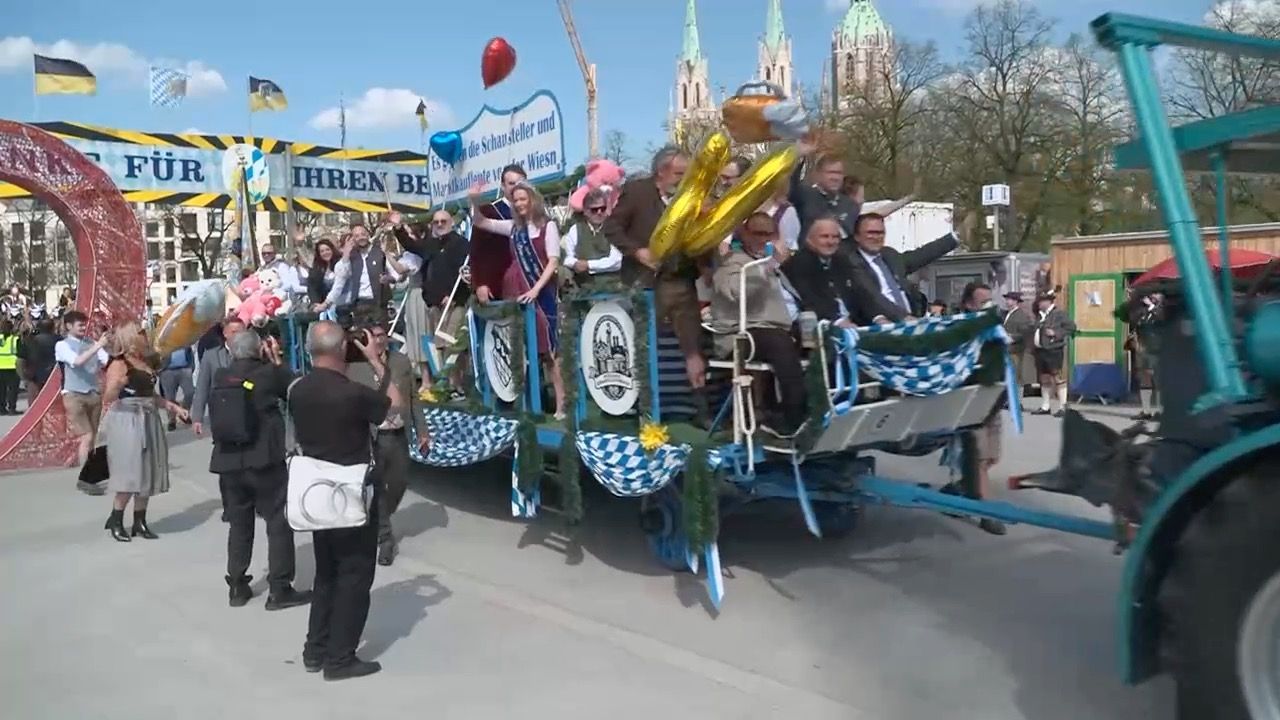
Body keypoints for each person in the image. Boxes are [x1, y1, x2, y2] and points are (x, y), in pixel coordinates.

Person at [290, 321, 403, 681]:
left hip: (317, 494)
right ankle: (339, 659)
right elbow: (395, 408)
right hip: (351, 494)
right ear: (342, 350)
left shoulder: (298, 390)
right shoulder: (353, 393)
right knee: (354, 576)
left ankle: (315, 649)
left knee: (327, 573)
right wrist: (375, 360)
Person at [605, 147, 714, 425]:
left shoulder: (692, 195)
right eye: (678, 174)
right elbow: (612, 228)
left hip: (682, 281)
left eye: (686, 174)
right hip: (646, 282)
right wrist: (638, 252)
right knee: (645, 345)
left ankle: (701, 410)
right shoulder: (638, 191)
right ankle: (644, 409)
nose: (683, 179)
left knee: (693, 346)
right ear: (661, 172)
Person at [210, 330, 312, 610]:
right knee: (278, 520)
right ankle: (279, 588)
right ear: (259, 349)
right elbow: (297, 389)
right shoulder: (270, 374)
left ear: (232, 351)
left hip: (229, 460)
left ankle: (237, 585)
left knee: (239, 523)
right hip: (264, 458)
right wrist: (276, 360)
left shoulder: (222, 376)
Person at [468, 179, 567, 418]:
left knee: (550, 352)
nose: (520, 204)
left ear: (533, 200)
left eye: (524, 199)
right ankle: (527, 403)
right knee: (521, 348)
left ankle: (562, 404)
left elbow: (553, 261)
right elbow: (481, 222)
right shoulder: (513, 227)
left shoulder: (548, 226)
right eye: (516, 200)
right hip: (515, 289)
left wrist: (535, 290)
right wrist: (473, 200)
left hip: (541, 292)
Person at [710, 212, 807, 435]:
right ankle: (793, 416)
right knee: (778, 342)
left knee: (819, 337)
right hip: (739, 335)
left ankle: (820, 404)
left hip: (776, 328)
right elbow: (737, 293)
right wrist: (765, 269)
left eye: (768, 234)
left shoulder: (770, 261)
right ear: (745, 234)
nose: (763, 239)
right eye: (758, 233)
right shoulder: (733, 262)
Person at [347, 324, 429, 566]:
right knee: (378, 487)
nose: (379, 341)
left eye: (382, 336)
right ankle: (385, 539)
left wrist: (423, 431)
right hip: (373, 437)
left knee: (399, 482)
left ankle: (379, 517)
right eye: (374, 337)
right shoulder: (355, 366)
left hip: (399, 434)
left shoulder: (401, 362)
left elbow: (413, 398)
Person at [101, 323, 187, 542]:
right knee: (130, 471)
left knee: (148, 470)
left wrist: (173, 407)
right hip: (127, 419)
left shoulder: (146, 362)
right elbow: (108, 397)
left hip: (148, 417)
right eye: (140, 333)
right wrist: (118, 385)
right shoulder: (120, 364)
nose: (145, 336)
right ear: (130, 338)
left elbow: (152, 396)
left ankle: (140, 521)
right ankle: (117, 518)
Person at [949, 282, 1007, 536]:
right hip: (972, 402)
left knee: (992, 457)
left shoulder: (994, 329)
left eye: (989, 301)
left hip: (994, 399)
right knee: (980, 458)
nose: (987, 306)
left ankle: (960, 491)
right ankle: (986, 513)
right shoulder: (961, 329)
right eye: (981, 302)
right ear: (968, 304)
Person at [843, 213, 961, 324]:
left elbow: (922, 255)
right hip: (878, 325)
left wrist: (955, 237)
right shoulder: (851, 263)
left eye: (880, 233)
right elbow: (871, 296)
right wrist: (903, 317)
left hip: (912, 320)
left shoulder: (890, 255)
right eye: (871, 233)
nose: (876, 237)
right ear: (857, 236)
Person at [191, 317, 248, 521]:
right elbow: (202, 388)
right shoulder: (211, 356)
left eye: (242, 332)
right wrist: (197, 417)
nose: (238, 336)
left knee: (248, 462)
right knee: (227, 465)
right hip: (222, 418)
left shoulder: (249, 354)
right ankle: (229, 506)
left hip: (246, 414)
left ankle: (248, 503)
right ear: (225, 334)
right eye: (234, 332)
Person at [410, 210, 470, 391]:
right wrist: (398, 227)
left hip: (456, 300)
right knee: (441, 345)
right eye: (436, 222)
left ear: (451, 222)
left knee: (454, 343)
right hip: (436, 303)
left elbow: (462, 272)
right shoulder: (431, 245)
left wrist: (450, 295)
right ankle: (447, 381)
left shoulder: (461, 244)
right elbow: (412, 247)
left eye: (443, 221)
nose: (440, 224)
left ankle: (456, 383)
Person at [782, 218, 872, 327]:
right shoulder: (798, 264)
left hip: (855, 323)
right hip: (822, 327)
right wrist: (838, 321)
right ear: (809, 239)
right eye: (824, 236)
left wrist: (878, 317)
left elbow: (862, 294)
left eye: (835, 237)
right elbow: (809, 300)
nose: (830, 242)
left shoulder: (842, 260)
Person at [57, 311, 110, 482]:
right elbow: (76, 361)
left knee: (92, 436)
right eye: (79, 324)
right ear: (68, 326)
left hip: (93, 393)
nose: (83, 327)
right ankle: (85, 477)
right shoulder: (62, 345)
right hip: (73, 394)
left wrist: (108, 345)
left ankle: (90, 470)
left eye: (84, 324)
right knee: (86, 436)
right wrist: (97, 346)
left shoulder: (91, 342)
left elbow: (106, 361)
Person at [470, 164, 525, 305]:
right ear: (503, 186)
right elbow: (476, 251)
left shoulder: (531, 214)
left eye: (520, 183)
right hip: (497, 285)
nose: (516, 188)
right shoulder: (490, 210)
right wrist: (480, 283)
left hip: (528, 282)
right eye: (511, 183)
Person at [316, 223, 390, 327]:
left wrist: (389, 279)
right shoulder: (350, 257)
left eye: (363, 234)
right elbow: (339, 282)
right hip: (359, 303)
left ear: (368, 235)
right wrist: (326, 303)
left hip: (379, 302)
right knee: (363, 337)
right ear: (353, 239)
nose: (361, 238)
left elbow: (397, 275)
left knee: (380, 335)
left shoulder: (379, 252)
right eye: (357, 236)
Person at [789, 150, 860, 243]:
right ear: (817, 175)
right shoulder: (805, 195)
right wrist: (800, 156)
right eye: (830, 172)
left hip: (841, 255)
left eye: (839, 173)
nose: (835, 178)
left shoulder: (851, 205)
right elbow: (791, 184)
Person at [563, 187, 622, 289]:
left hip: (613, 287)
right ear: (585, 211)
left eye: (602, 209)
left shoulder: (615, 228)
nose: (599, 212)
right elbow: (567, 258)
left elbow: (616, 261)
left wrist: (588, 265)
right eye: (594, 210)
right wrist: (575, 263)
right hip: (585, 290)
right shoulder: (575, 230)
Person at [1031, 293, 1075, 417]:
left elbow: (1071, 327)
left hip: (1054, 350)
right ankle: (1046, 406)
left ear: (1048, 302)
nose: (1039, 304)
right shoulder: (1040, 316)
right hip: (1041, 351)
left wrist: (1056, 333)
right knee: (1044, 379)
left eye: (1041, 301)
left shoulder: (1059, 314)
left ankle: (1063, 407)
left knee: (1058, 378)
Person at [1127, 291, 1164, 420]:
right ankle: (1146, 410)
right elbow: (1133, 321)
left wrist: (1152, 307)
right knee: (1144, 380)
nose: (1152, 297)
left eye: (1155, 295)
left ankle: (1160, 411)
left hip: (1157, 351)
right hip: (1143, 349)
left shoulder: (1162, 311)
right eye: (1151, 296)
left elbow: (1161, 320)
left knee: (1158, 380)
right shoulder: (1144, 312)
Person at [1001, 292, 1035, 398]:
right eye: (1006, 299)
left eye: (1009, 299)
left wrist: (1012, 337)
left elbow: (1025, 332)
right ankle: (1009, 399)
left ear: (1016, 301)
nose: (1007, 301)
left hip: (1016, 350)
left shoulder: (1021, 315)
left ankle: (1018, 401)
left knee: (1016, 375)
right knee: (1008, 375)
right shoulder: (1007, 314)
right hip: (1007, 349)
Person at [20, 317, 60, 403]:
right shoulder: (60, 340)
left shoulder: (29, 341)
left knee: (35, 404)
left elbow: (21, 360)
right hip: (54, 375)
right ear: (53, 328)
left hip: (34, 376)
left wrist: (24, 375)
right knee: (52, 403)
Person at [159, 345, 195, 431]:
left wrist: (191, 366)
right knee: (170, 397)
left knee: (190, 392)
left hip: (185, 368)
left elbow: (189, 349)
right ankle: (172, 420)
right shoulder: (166, 338)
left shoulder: (183, 336)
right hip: (167, 370)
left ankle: (183, 413)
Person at [305, 238, 340, 309]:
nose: (325, 253)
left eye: (327, 249)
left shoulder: (340, 264)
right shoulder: (317, 269)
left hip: (340, 302)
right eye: (322, 251)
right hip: (322, 304)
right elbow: (312, 287)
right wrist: (316, 303)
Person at [0, 320, 20, 414]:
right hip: (12, 366)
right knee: (13, 389)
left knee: (1, 390)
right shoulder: (15, 339)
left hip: (0, 367)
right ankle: (12, 408)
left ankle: (1, 409)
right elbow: (20, 352)